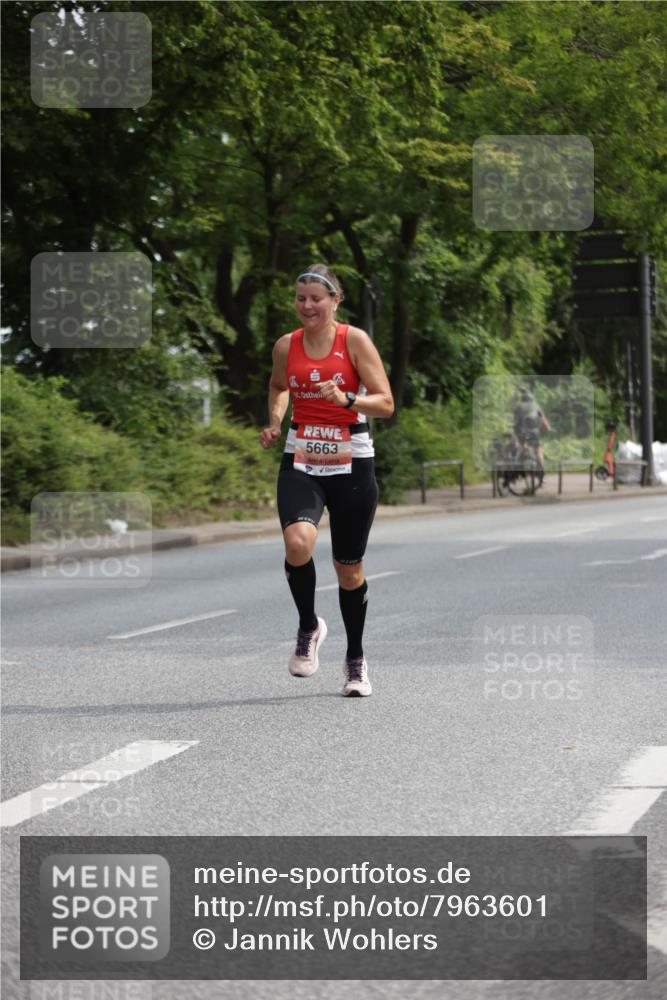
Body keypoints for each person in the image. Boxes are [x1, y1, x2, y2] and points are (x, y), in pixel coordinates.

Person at [260, 264, 394, 697]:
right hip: (301, 456)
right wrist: (276, 420)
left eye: (316, 298)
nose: (307, 306)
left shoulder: (353, 341)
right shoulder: (287, 345)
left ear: (335, 300)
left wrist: (348, 398)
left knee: (348, 571)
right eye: (300, 298)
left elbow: (386, 403)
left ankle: (355, 661)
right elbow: (279, 385)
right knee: (298, 543)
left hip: (352, 460)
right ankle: (308, 626)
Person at [513, 388, 551, 469]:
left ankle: (519, 463)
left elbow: (515, 422)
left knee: (521, 445)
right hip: (535, 432)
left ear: (522, 399)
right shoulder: (536, 406)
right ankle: (541, 469)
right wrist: (547, 427)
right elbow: (543, 419)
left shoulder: (518, 407)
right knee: (538, 449)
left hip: (522, 432)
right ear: (531, 399)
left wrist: (515, 430)